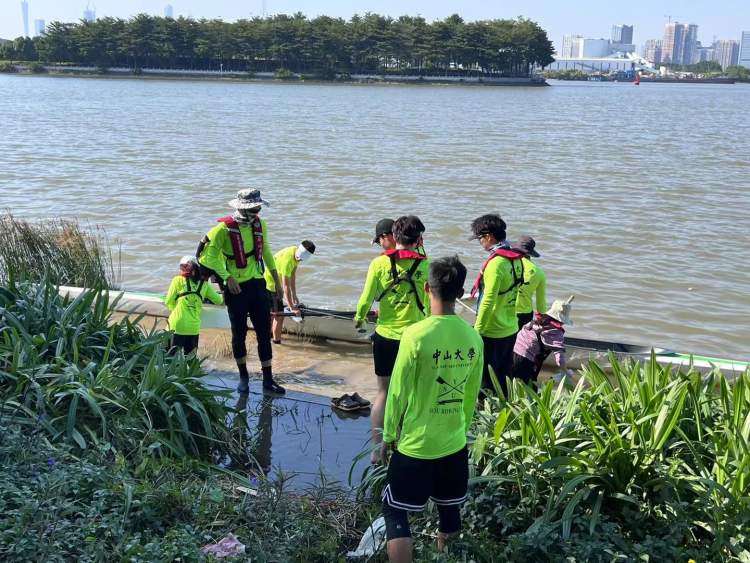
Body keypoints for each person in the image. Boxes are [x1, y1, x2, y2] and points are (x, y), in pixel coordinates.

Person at [380, 256, 483, 563]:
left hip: (416, 444)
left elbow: (396, 392)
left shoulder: (416, 335)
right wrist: (459, 433)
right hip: (453, 443)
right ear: (461, 291)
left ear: (427, 288)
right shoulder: (473, 337)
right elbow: (470, 396)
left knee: (394, 511)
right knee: (448, 510)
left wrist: (387, 435)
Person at [355, 215, 430, 464]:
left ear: (393, 237)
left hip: (386, 337)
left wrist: (359, 319)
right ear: (419, 239)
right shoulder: (426, 265)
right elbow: (431, 304)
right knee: (412, 393)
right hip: (416, 338)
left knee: (384, 393)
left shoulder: (378, 264)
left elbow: (366, 299)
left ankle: (378, 451)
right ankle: (404, 444)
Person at [197, 188, 285, 395]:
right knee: (239, 334)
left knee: (264, 333)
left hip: (257, 284)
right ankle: (243, 377)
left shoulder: (260, 224)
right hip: (235, 289)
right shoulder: (223, 229)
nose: (257, 212)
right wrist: (227, 277)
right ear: (242, 208)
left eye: (258, 208)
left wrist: (277, 281)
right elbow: (205, 257)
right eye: (253, 208)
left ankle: (268, 380)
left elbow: (268, 253)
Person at [469, 214, 525, 395]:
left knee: (484, 383)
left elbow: (487, 301)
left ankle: (486, 420)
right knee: (503, 379)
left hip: (491, 331)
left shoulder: (496, 264)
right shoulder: (517, 259)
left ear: (489, 237)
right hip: (510, 327)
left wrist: (476, 331)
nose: (480, 243)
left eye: (479, 238)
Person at [164, 255, 223, 355]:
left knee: (169, 360)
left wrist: (177, 308)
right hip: (193, 329)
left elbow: (168, 301)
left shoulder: (177, 280)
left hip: (176, 326)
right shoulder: (205, 285)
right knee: (191, 362)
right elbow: (219, 300)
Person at [512, 296, 574, 385]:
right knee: (530, 391)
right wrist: (566, 372)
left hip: (512, 354)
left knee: (511, 387)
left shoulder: (535, 322)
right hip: (524, 361)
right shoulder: (555, 332)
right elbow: (560, 360)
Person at [263, 240, 316, 344]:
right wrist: (292, 308)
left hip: (274, 282)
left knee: (274, 313)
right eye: (298, 258)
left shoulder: (294, 252)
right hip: (271, 284)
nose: (299, 260)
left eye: (301, 259)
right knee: (279, 315)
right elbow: (285, 286)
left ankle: (267, 337)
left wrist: (294, 295)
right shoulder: (288, 260)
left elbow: (292, 275)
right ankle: (276, 343)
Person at [514, 235, 547, 329]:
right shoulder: (539, 273)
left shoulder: (508, 264)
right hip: (525, 314)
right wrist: (543, 318)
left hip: (506, 310)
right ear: (531, 253)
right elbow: (541, 304)